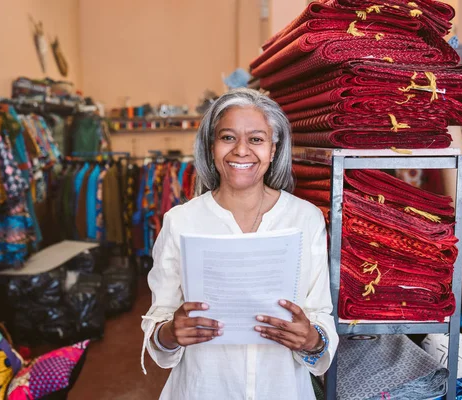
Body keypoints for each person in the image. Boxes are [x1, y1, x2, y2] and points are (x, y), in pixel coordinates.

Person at [140, 88, 338, 399]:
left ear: (273, 149)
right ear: (211, 147)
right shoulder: (181, 221)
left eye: (256, 139)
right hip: (202, 389)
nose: (241, 151)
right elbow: (159, 323)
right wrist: (169, 333)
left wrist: (312, 340)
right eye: (228, 137)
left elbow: (320, 316)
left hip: (282, 389)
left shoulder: (305, 219)